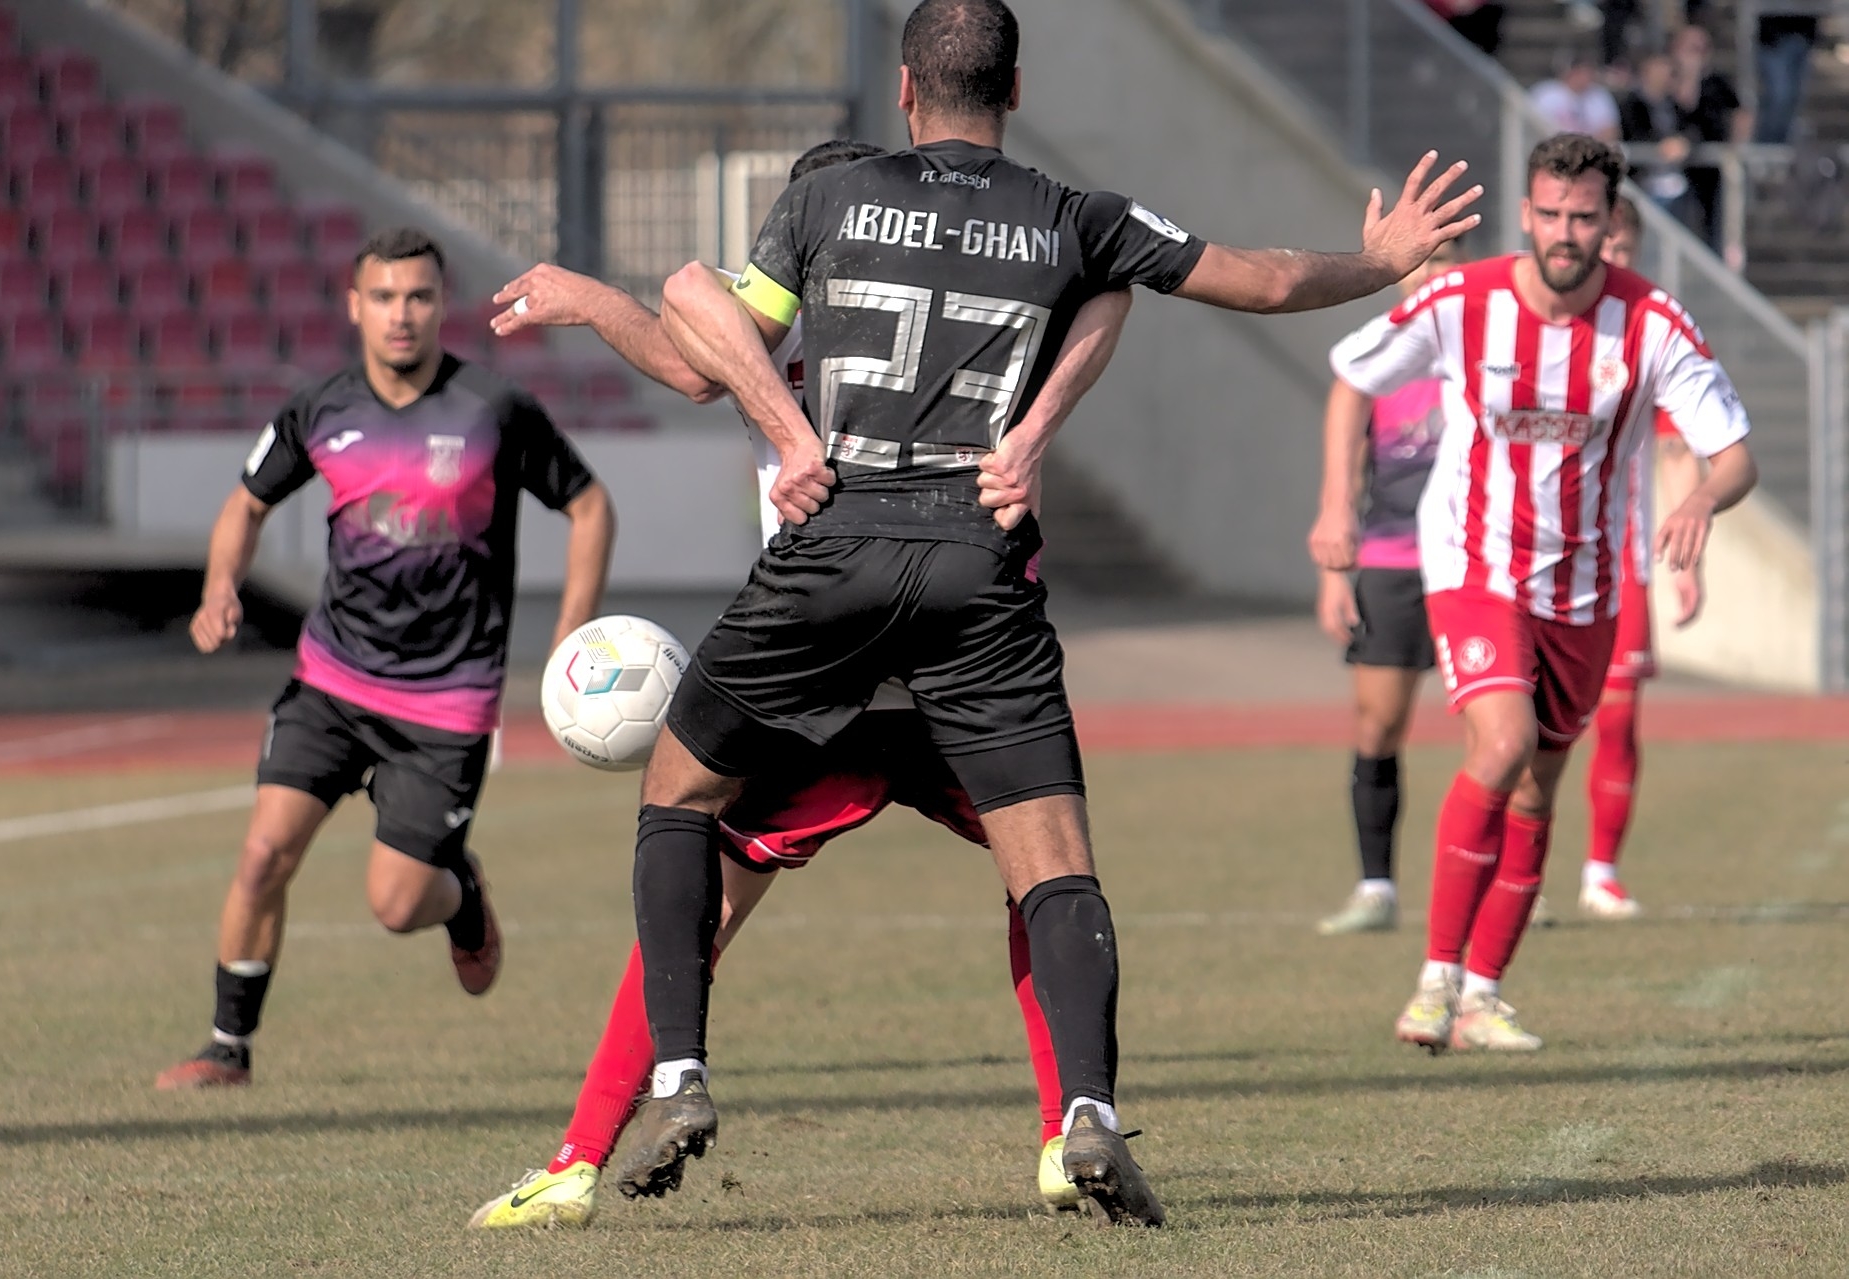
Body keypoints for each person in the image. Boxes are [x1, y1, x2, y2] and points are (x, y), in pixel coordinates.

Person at [631, 0, 1479, 1227]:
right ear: (1015, 90)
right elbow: (1264, 279)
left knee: (678, 793)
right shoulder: (1073, 217)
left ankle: (679, 1076)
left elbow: (696, 313)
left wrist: (787, 432)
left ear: (906, 89)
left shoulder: (827, 197)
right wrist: (1388, 262)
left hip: (832, 547)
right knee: (1053, 864)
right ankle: (1084, 1110)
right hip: (979, 562)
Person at [464, 138, 1137, 1228]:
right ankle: (1068, 1132)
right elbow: (1102, 294)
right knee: (1046, 883)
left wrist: (592, 300)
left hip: (824, 681)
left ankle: (582, 1156)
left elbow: (690, 356)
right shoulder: (969, 320)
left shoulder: (758, 341)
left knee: (693, 907)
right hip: (965, 665)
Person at [154, 227, 616, 1089]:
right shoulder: (319, 409)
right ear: (354, 306)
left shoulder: (493, 408)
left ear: (440, 305)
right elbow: (246, 503)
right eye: (384, 297)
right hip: (331, 678)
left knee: (397, 905)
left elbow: (589, 506)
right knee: (262, 854)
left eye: (418, 297)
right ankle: (228, 1048)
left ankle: (460, 892)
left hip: (447, 702)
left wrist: (571, 633)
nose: (401, 314)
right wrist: (220, 587)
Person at [1329, 134, 1756, 1056]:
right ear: (1525, 213)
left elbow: (1733, 455)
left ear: (1610, 222)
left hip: (1585, 589)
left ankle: (1483, 993)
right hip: (1474, 568)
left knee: (1535, 789)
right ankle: (1435, 979)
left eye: (1583, 217)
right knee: (1502, 743)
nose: (1565, 233)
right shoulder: (1463, 299)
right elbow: (1352, 376)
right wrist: (1333, 511)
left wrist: (1699, 499)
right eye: (1550, 214)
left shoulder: (1651, 322)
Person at [1307, 242, 1460, 936]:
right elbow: (1344, 476)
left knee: (1498, 729)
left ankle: (1515, 881)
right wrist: (1332, 572)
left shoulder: (1485, 352)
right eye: (1423, 260)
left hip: (1471, 562)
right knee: (1377, 724)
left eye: (1448, 259)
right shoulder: (1371, 362)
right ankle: (1376, 888)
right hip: (1390, 561)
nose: (1434, 273)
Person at [1577, 195, 1709, 921]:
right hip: (1529, 559)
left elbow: (1675, 448)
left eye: (1623, 250)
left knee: (1619, 719)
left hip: (1618, 561)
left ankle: (1601, 870)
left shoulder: (1645, 335)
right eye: (1605, 247)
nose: (1611, 261)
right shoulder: (1534, 324)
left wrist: (1686, 561)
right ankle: (1516, 870)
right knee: (1522, 732)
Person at [1669, 23, 1747, 252]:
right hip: (1677, 167)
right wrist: (1689, 76)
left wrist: (1736, 145)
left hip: (1711, 167)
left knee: (1715, 224)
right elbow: (1684, 105)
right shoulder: (1668, 77)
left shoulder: (1717, 82)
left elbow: (1740, 112)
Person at [1619, 51, 1698, 229]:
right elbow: (1633, 133)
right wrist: (1661, 145)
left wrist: (1683, 141)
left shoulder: (1674, 105)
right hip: (1644, 180)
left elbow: (1693, 129)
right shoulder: (1631, 104)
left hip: (1675, 181)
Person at [1755, 3, 1827, 145]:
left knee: (1794, 98)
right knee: (1780, 95)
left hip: (1803, 36)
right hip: (1774, 39)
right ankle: (1767, 144)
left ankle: (1783, 144)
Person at [1531, 48, 1624, 144]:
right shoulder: (1546, 93)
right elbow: (1534, 126)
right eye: (1581, 72)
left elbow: (1611, 131)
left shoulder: (1600, 95)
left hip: (1589, 149)